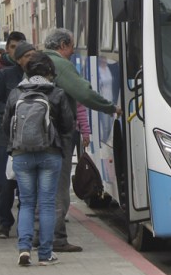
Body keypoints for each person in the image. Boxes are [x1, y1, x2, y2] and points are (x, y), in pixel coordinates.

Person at [43, 28, 122, 252]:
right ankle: (57, 238)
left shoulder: (36, 62)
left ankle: (39, 235)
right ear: (63, 45)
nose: (73, 52)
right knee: (59, 188)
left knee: (42, 189)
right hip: (58, 136)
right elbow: (84, 94)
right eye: (71, 47)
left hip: (34, 137)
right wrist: (110, 108)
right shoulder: (60, 65)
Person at [2, 52, 74, 266]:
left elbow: (6, 125)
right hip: (50, 155)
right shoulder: (57, 93)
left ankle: (24, 249)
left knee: (26, 203)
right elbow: (67, 126)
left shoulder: (16, 94)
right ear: (50, 72)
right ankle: (45, 253)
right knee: (47, 204)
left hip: (21, 154)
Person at [0, 37, 35, 238]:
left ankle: (27, 225)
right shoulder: (5, 76)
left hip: (32, 139)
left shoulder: (41, 75)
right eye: (26, 56)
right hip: (7, 138)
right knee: (5, 183)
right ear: (18, 59)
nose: (30, 59)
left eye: (33, 55)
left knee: (28, 184)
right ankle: (5, 222)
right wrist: (13, 111)